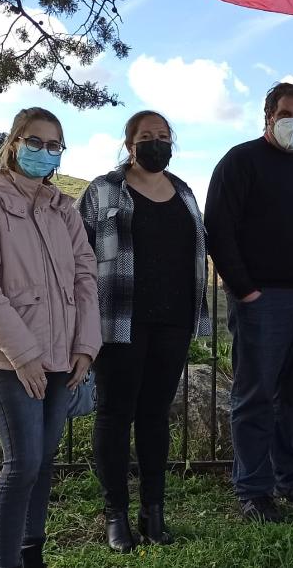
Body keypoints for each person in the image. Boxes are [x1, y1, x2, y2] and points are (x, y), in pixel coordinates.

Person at [0, 107, 101, 568]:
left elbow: (85, 277)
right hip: (10, 358)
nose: (44, 152)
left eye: (54, 145)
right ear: (15, 142)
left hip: (63, 355)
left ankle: (30, 552)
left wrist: (86, 346)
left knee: (44, 461)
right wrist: (23, 355)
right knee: (21, 464)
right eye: (35, 142)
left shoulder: (63, 208)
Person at [204, 82, 293, 523]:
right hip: (263, 302)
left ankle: (292, 479)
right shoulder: (240, 161)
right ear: (267, 115)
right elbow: (219, 229)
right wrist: (246, 290)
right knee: (255, 397)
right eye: (286, 113)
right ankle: (254, 489)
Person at [78, 111, 209, 551]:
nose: (156, 143)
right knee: (115, 415)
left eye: (164, 136)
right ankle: (115, 514)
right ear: (129, 143)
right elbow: (80, 254)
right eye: (146, 136)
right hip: (118, 320)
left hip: (172, 321)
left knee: (155, 415)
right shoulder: (104, 190)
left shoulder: (186, 192)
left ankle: (154, 511)